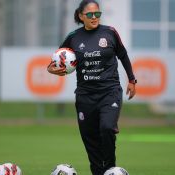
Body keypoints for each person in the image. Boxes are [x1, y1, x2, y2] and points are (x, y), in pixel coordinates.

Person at [47, 0, 137, 174]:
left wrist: (132, 80)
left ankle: (110, 169)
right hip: (85, 95)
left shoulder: (109, 33)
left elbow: (123, 55)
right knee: (90, 138)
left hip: (109, 91)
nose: (94, 17)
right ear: (81, 16)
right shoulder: (73, 37)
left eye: (97, 14)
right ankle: (97, 171)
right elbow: (56, 61)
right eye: (90, 14)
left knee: (107, 128)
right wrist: (52, 69)